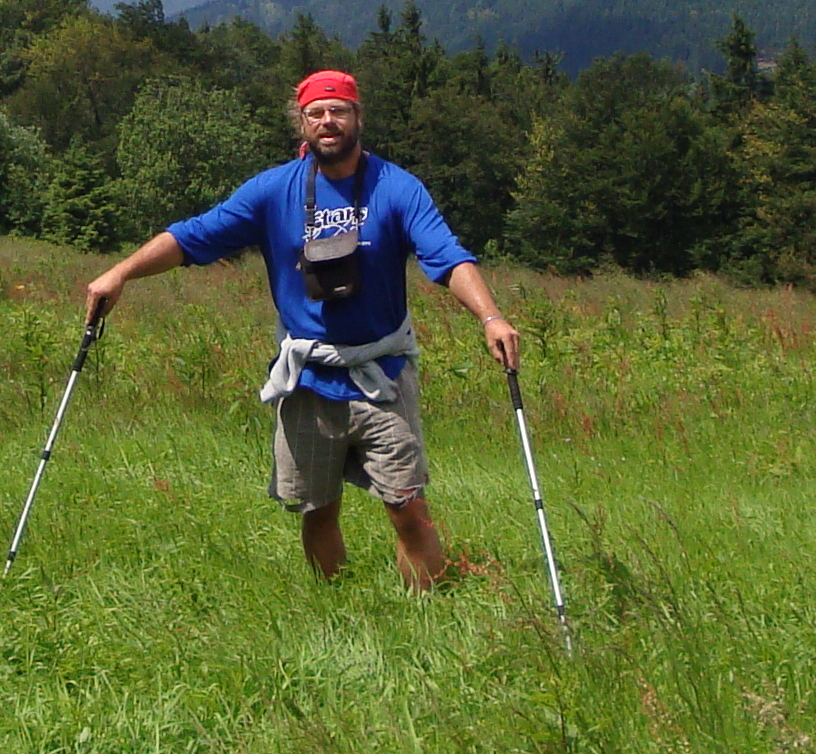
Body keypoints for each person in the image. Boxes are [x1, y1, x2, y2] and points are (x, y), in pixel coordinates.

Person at [82, 68, 520, 588]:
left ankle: (428, 612)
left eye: (339, 110)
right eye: (316, 113)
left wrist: (491, 317)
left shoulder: (398, 188)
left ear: (357, 117)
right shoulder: (273, 191)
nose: (328, 121)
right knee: (317, 509)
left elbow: (446, 255)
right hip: (308, 377)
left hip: (382, 371)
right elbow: (192, 237)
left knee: (409, 509)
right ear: (302, 123)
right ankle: (333, 610)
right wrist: (121, 273)